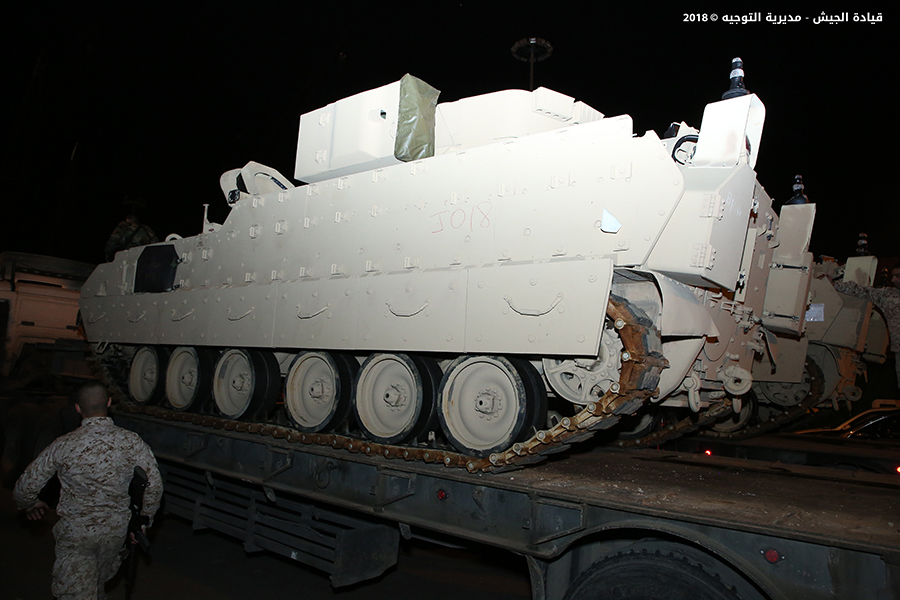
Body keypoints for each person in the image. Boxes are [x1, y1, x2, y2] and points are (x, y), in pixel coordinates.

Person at [13, 381, 163, 600]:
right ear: (109, 403)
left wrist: (29, 503)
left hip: (77, 534)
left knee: (78, 591)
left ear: (77, 408)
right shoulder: (132, 442)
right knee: (95, 584)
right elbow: (154, 486)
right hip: (114, 533)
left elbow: (25, 486)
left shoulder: (64, 444)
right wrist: (142, 523)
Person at [831, 264, 900, 387]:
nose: (893, 280)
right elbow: (862, 291)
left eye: (898, 276)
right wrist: (833, 284)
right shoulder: (889, 296)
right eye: (893, 276)